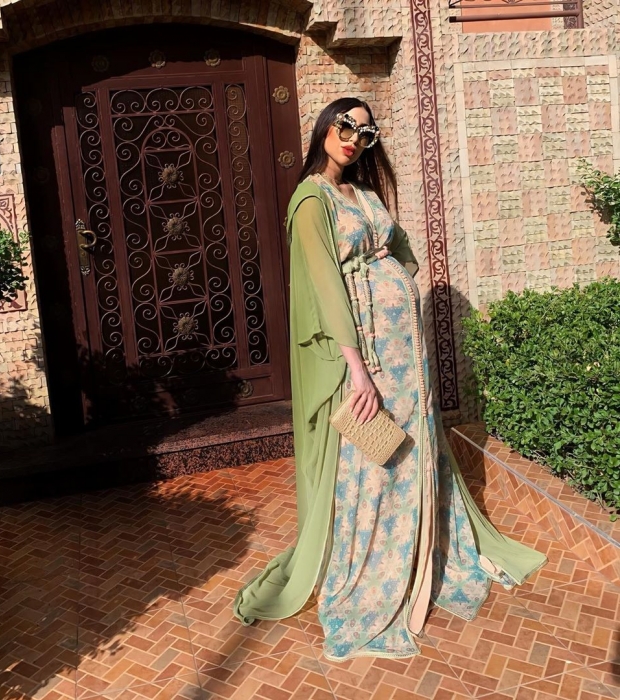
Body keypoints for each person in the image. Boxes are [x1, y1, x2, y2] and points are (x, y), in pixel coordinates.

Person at [233, 97, 547, 661]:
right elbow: (327, 288)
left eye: (366, 133)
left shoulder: (366, 195)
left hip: (406, 355)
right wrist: (357, 368)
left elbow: (402, 250)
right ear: (325, 127)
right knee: (375, 458)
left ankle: (426, 550)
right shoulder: (311, 200)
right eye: (345, 126)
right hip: (369, 358)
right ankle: (377, 573)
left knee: (415, 447)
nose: (354, 138)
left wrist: (390, 275)